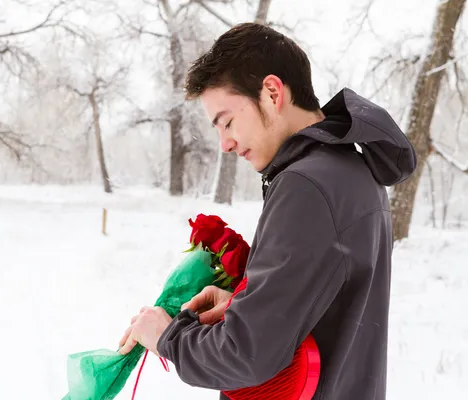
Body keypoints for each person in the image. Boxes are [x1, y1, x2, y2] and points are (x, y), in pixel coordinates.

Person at [118, 22, 417, 399]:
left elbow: (246, 355)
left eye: (227, 122)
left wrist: (168, 337)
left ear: (272, 92)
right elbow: (326, 313)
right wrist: (245, 303)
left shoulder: (307, 185)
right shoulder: (352, 169)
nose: (225, 143)